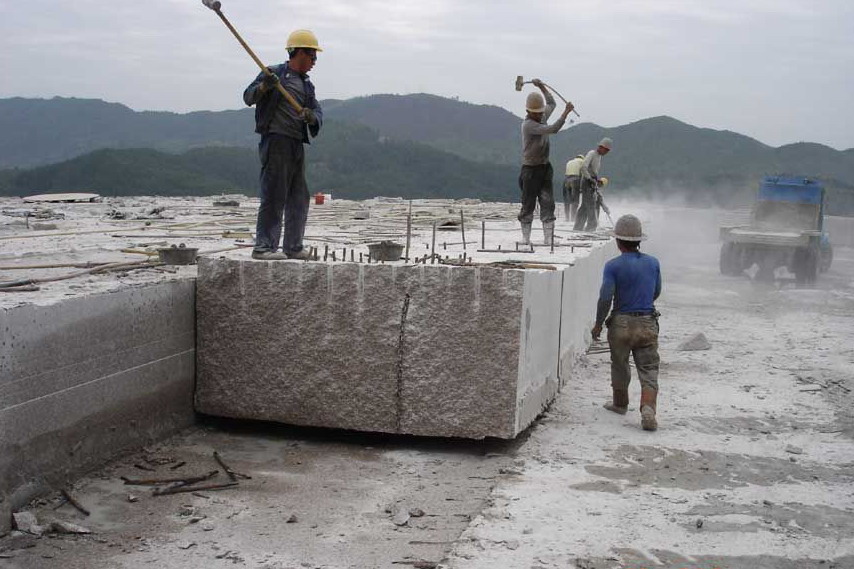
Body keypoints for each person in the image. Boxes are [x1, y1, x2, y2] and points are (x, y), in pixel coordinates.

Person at [243, 29, 324, 260]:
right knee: (274, 194)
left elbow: (317, 112)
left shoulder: (307, 85)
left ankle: (293, 246)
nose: (314, 62)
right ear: (300, 53)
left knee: (299, 196)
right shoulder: (273, 73)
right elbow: (248, 97)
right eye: (312, 56)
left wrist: (311, 117)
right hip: (276, 140)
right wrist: (264, 87)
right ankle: (264, 247)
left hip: (296, 143)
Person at [591, 214, 662, 431]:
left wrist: (598, 324)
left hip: (620, 324)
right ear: (639, 240)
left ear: (618, 241)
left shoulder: (612, 266)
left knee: (620, 364)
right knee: (649, 368)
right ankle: (648, 409)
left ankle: (620, 404)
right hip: (647, 322)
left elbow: (606, 297)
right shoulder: (653, 263)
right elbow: (656, 291)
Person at [518, 80, 574, 246]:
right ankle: (525, 238)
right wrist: (566, 113)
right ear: (528, 111)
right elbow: (553, 129)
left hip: (544, 168)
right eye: (536, 113)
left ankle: (548, 238)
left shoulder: (541, 117)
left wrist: (541, 86)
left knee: (548, 202)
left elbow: (551, 103)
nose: (539, 115)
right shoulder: (528, 125)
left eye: (540, 112)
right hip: (530, 170)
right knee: (528, 203)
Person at [574, 138, 612, 232]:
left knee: (584, 206)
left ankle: (578, 227)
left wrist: (595, 179)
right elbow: (583, 167)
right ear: (601, 147)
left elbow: (594, 171)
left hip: (592, 180)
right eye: (606, 150)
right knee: (590, 204)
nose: (606, 153)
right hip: (587, 181)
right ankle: (591, 227)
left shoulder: (599, 156)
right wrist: (589, 178)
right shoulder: (592, 153)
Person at [563, 154, 585, 222]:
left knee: (567, 200)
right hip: (575, 180)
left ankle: (567, 218)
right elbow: (583, 175)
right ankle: (573, 218)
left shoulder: (569, 162)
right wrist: (581, 187)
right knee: (575, 200)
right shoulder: (582, 162)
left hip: (566, 180)